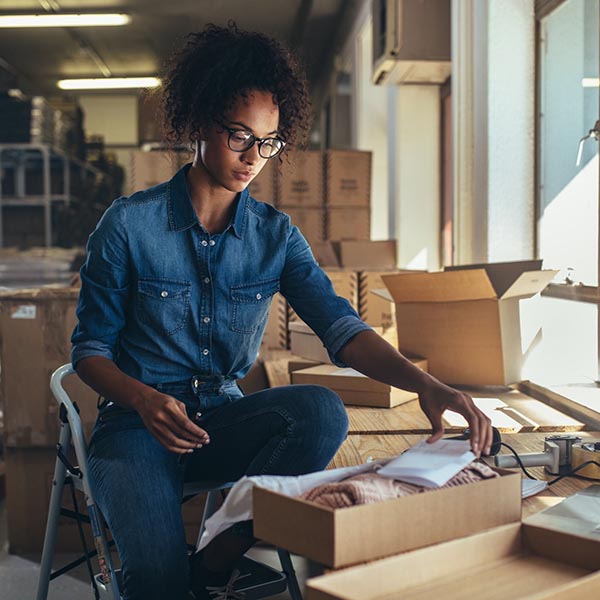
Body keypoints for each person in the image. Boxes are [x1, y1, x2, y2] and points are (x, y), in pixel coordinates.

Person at [71, 21, 493, 600]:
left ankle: (216, 558)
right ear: (198, 124)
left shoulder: (276, 235)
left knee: (321, 411)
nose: (254, 157)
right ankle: (184, 575)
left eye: (268, 143)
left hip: (221, 417)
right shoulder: (128, 224)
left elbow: (340, 327)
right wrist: (143, 399)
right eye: (240, 135)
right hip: (137, 426)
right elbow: (89, 352)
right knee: (156, 586)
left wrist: (427, 384)